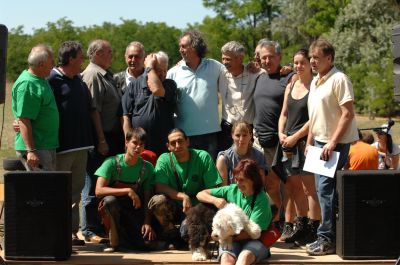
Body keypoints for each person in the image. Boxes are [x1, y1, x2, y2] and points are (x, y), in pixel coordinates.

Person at [305, 38, 359, 255]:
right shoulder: (315, 81)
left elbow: (348, 113)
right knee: (322, 191)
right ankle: (327, 236)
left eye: (317, 58)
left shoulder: (339, 79)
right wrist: (309, 140)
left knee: (325, 190)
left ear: (330, 58)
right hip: (319, 143)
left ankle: (326, 239)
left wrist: (333, 141)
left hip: (334, 143)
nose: (313, 62)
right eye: (311, 58)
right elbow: (314, 115)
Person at [48, 41, 94, 246]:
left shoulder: (79, 81)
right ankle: (57, 232)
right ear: (70, 59)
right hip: (61, 147)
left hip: (81, 146)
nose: (83, 60)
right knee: (60, 192)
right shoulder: (51, 80)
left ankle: (72, 233)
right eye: (80, 56)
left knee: (76, 192)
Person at [81, 39, 124, 244]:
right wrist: (101, 139)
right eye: (108, 51)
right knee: (93, 184)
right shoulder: (93, 74)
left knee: (105, 181)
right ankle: (89, 229)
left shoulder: (106, 75)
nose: (112, 55)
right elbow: (94, 110)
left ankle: (102, 226)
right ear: (96, 53)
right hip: (101, 139)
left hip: (111, 138)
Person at [148, 128, 222, 247]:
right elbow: (159, 186)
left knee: (186, 233)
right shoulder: (164, 159)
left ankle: (185, 237)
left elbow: (213, 189)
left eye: (180, 141)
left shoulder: (203, 157)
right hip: (175, 207)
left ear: (187, 141)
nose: (177, 145)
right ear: (168, 146)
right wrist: (183, 196)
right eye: (173, 143)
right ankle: (172, 236)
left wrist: (195, 209)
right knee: (157, 201)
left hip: (199, 208)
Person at [277, 49, 320, 245]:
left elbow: (313, 119)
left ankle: (314, 228)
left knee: (309, 189)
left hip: (305, 143)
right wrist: (281, 133)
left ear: (309, 64)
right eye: (295, 62)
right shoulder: (291, 84)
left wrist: (295, 137)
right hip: (287, 143)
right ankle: (300, 226)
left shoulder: (316, 86)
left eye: (302, 62)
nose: (298, 66)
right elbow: (284, 113)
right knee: (294, 188)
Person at [252, 40, 295, 229]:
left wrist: (292, 68)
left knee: (288, 184)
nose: (267, 61)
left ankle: (290, 223)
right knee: (270, 185)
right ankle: (276, 221)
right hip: (261, 141)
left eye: (271, 57)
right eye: (264, 57)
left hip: (281, 141)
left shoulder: (289, 77)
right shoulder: (260, 76)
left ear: (279, 57)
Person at [197, 159, 272, 265]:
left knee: (244, 258)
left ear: (253, 180)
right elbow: (200, 194)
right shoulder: (232, 190)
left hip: (255, 240)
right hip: (230, 239)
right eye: (236, 179)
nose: (238, 183)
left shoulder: (261, 199)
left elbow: (251, 233)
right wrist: (215, 200)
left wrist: (221, 235)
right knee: (226, 259)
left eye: (242, 180)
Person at [95, 128, 159, 252]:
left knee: (145, 245)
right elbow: (98, 191)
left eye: (141, 144)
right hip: (113, 211)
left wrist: (147, 222)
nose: (138, 147)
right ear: (126, 142)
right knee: (109, 201)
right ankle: (113, 240)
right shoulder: (111, 163)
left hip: (134, 211)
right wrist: (128, 191)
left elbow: (147, 198)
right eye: (134, 143)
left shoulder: (148, 168)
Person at [167, 30, 224, 159]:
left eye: (183, 46)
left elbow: (233, 73)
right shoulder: (173, 72)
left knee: (209, 175)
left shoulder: (214, 66)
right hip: (184, 136)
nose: (180, 50)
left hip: (210, 133)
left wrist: (250, 67)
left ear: (195, 46)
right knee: (188, 175)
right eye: (180, 46)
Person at [12, 44, 58, 171]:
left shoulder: (41, 79)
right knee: (42, 189)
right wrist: (31, 150)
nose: (53, 65)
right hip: (37, 148)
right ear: (41, 64)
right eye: (51, 62)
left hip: (45, 145)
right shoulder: (28, 84)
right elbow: (24, 119)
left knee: (48, 186)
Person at [122, 51, 176, 156]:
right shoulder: (134, 85)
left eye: (165, 70)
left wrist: (150, 67)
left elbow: (157, 90)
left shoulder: (169, 84)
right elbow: (126, 116)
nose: (163, 74)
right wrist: (128, 142)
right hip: (140, 145)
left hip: (163, 145)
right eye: (159, 70)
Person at [217, 41, 263, 151]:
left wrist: (288, 70)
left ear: (240, 58)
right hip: (227, 129)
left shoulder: (255, 73)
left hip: (248, 129)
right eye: (223, 59)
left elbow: (273, 72)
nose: (225, 62)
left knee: (248, 164)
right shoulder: (220, 73)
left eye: (228, 59)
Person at [216, 121, 267, 186]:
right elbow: (223, 190)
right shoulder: (223, 159)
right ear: (232, 135)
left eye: (244, 135)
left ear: (250, 136)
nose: (241, 139)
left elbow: (261, 186)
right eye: (237, 135)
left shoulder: (259, 156)